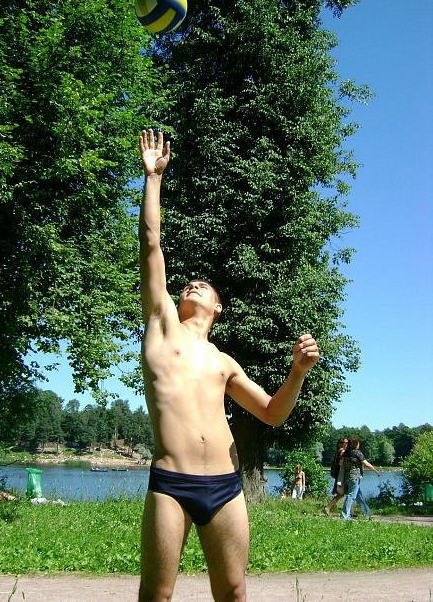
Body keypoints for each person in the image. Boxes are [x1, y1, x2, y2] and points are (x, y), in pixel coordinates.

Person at [137, 129, 320, 602]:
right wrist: (153, 178)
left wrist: (297, 373)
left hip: (225, 485)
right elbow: (152, 244)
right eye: (188, 285)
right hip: (171, 483)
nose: (192, 285)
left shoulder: (223, 361)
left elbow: (272, 413)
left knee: (234, 592)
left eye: (203, 286)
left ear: (218, 307)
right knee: (157, 595)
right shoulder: (161, 324)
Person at [340, 437, 380, 521]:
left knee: (359, 496)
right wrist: (376, 471)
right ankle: (344, 516)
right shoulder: (357, 453)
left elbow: (341, 464)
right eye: (358, 443)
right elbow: (366, 464)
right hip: (355, 477)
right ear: (355, 444)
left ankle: (367, 513)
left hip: (347, 476)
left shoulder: (345, 453)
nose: (359, 444)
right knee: (351, 495)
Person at [323, 437, 348, 516]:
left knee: (346, 492)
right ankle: (328, 507)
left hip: (339, 474)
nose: (347, 444)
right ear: (341, 444)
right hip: (341, 475)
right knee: (342, 493)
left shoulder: (338, 451)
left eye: (347, 443)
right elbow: (342, 464)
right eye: (345, 443)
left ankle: (351, 511)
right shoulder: (342, 451)